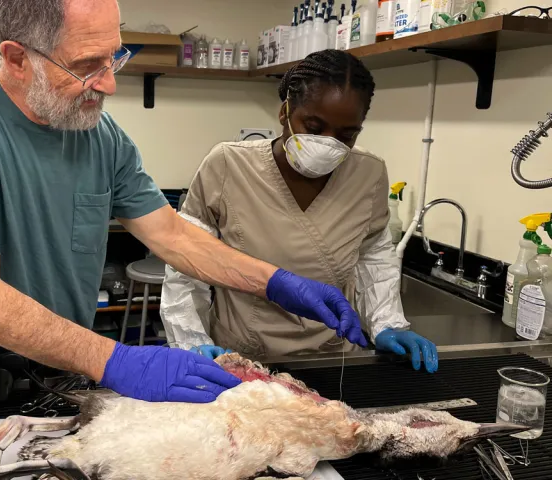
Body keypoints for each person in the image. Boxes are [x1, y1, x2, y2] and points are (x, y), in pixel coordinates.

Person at [0, 2, 368, 478]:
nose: (109, 83)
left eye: (114, 58)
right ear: (18, 58)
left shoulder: (100, 136)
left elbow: (172, 235)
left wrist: (276, 282)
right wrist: (119, 360)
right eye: (86, 66)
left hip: (65, 377)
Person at [160, 50, 439, 373]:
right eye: (314, 126)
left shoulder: (368, 173)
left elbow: (373, 254)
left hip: (331, 356)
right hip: (242, 358)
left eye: (347, 134)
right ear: (285, 112)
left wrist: (387, 322)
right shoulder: (228, 165)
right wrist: (191, 340)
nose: (328, 143)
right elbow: (187, 262)